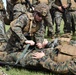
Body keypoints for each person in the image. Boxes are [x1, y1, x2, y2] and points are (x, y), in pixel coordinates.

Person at [0, 33, 76, 75]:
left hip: (41, 59)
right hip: (47, 51)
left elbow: (59, 68)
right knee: (18, 48)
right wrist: (48, 44)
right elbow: (68, 46)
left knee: (14, 57)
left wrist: (43, 58)